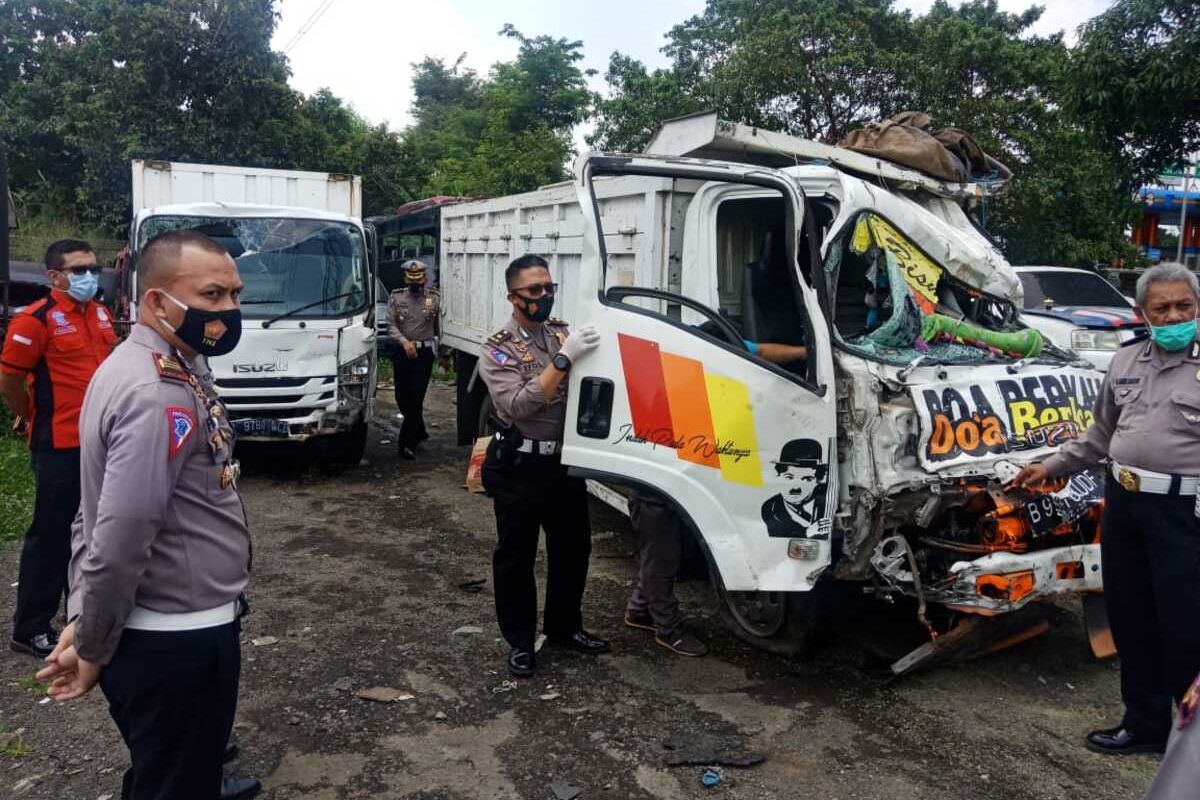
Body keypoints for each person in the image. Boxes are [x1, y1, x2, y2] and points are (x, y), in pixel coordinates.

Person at [36, 230, 259, 800]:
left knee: (168, 768)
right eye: (212, 296)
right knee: (174, 783)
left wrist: (85, 616)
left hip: (169, 630)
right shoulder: (155, 391)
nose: (230, 311)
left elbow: (95, 511)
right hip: (176, 639)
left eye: (235, 294)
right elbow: (119, 535)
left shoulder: (160, 362)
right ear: (158, 302)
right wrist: (92, 644)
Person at [1012, 262, 1200, 756]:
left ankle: (1188, 742)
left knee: (1185, 626)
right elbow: (1100, 435)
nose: (1176, 315)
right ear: (1142, 314)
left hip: (1186, 514)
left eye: (1185, 305)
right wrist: (1052, 466)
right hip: (1125, 504)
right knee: (1132, 618)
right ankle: (1143, 725)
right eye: (1164, 308)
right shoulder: (1125, 362)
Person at [625, 338, 809, 657]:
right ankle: (667, 629)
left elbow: (762, 352)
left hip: (681, 483)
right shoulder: (678, 382)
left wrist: (808, 352)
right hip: (654, 488)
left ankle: (639, 610)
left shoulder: (716, 350)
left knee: (661, 553)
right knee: (663, 556)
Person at [479, 254, 608, 678]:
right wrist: (564, 361)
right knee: (516, 557)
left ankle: (564, 627)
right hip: (519, 464)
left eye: (549, 288)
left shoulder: (561, 333)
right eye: (535, 290)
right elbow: (517, 405)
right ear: (513, 296)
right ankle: (519, 642)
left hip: (562, 464)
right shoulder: (498, 346)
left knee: (573, 549)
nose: (544, 296)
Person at [1, 239, 115, 657]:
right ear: (55, 276)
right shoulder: (35, 321)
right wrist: (30, 416)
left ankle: (80, 615)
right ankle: (29, 627)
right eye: (79, 269)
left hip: (101, 441)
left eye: (92, 268)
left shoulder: (101, 314)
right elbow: (9, 381)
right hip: (60, 444)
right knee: (51, 536)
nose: (89, 276)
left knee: (94, 534)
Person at [387, 259, 440, 459]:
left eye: (419, 278)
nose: (416, 282)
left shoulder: (434, 299)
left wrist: (443, 352)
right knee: (402, 398)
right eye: (411, 278)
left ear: (425, 278)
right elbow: (391, 324)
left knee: (416, 398)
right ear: (406, 278)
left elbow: (439, 327)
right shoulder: (396, 297)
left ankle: (406, 444)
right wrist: (404, 342)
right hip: (403, 352)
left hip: (424, 354)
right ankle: (419, 429)